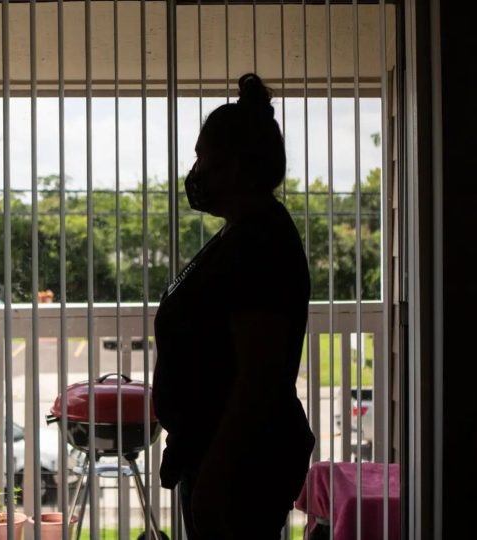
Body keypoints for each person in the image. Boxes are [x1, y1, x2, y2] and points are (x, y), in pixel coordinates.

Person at [152, 73, 315, 539]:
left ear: (237, 165)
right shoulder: (240, 233)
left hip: (242, 464)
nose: (196, 170)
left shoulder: (259, 243)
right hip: (217, 454)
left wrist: (217, 473)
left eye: (203, 157)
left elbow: (258, 376)